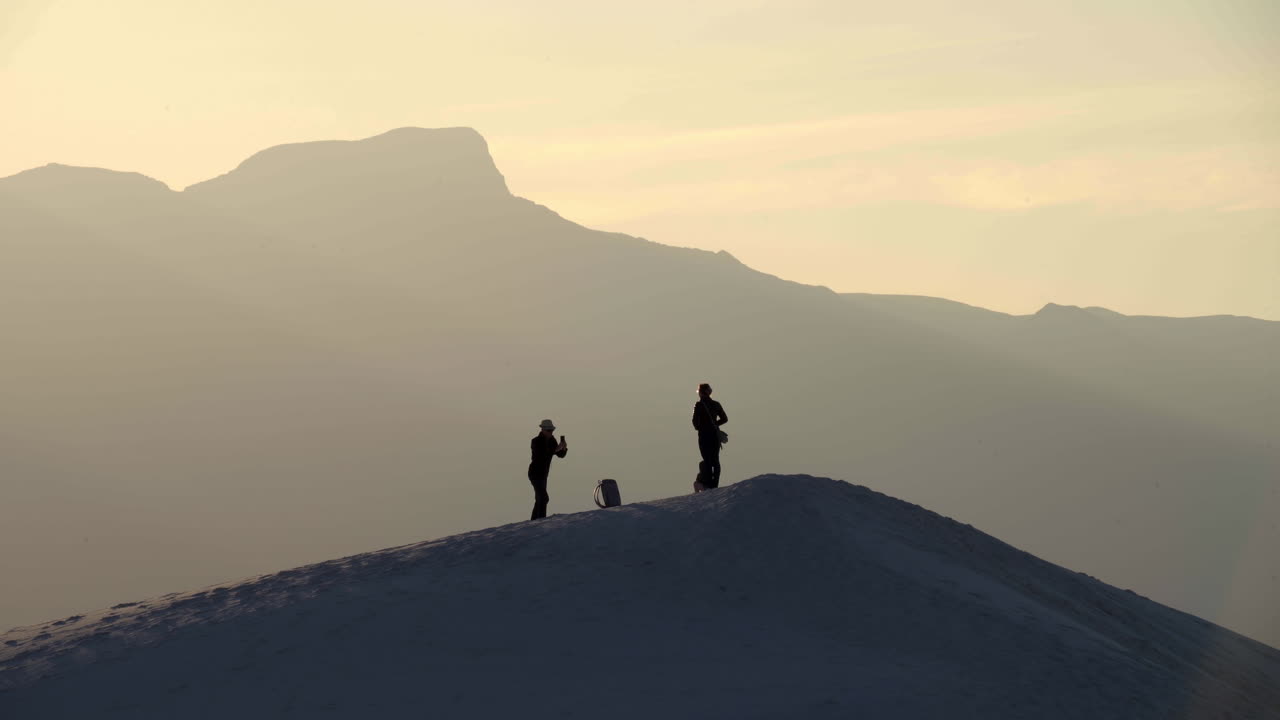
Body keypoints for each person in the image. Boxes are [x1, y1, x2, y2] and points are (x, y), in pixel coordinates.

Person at [528, 419, 567, 520]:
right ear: (543, 430)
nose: (551, 432)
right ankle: (541, 520)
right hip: (535, 474)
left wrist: (564, 448)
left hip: (543, 474)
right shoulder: (535, 441)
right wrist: (556, 449)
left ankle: (534, 521)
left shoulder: (552, 441)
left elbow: (560, 455)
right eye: (549, 430)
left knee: (540, 499)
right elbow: (542, 455)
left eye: (551, 430)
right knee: (544, 498)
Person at [691, 383, 727, 491]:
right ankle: (714, 485)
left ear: (702, 393)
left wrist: (702, 427)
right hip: (714, 435)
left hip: (704, 436)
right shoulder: (716, 404)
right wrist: (714, 424)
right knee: (715, 461)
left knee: (707, 460)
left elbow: (695, 423)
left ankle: (705, 482)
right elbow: (724, 419)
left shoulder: (699, 405)